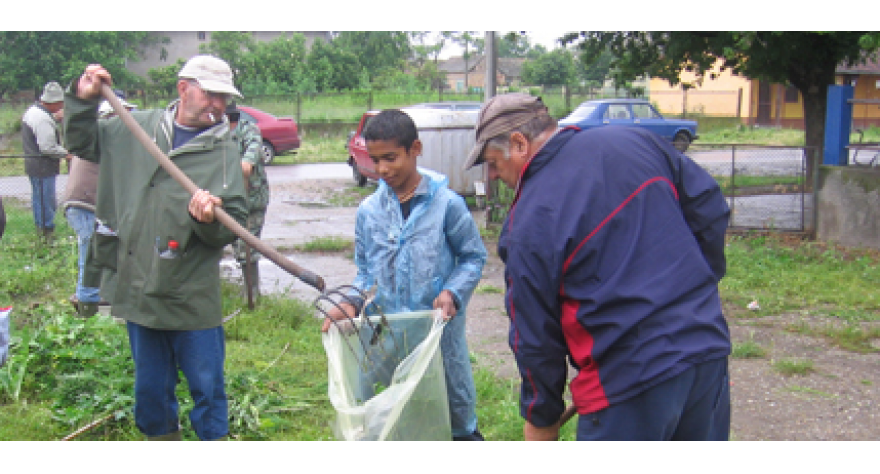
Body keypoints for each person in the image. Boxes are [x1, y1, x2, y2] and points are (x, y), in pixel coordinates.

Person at [464, 93, 732, 441]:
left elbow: (535, 338)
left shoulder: (529, 221)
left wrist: (541, 417)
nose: (496, 175)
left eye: (495, 163)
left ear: (519, 144)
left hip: (625, 383)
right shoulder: (632, 141)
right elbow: (709, 211)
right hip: (705, 354)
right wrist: (696, 294)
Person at [64, 55, 248, 441]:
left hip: (191, 292)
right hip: (139, 283)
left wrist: (206, 220)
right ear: (184, 88)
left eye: (224, 98)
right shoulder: (133, 129)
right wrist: (82, 101)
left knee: (207, 388)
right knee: (150, 390)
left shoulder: (224, 149)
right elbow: (80, 142)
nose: (218, 105)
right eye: (211, 94)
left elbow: (233, 226)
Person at [320, 109, 488, 441]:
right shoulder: (369, 212)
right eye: (376, 160)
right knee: (384, 416)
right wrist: (353, 303)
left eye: (391, 158)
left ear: (416, 149)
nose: (382, 169)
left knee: (453, 417)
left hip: (436, 335)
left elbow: (472, 257)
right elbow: (366, 273)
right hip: (385, 334)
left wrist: (452, 292)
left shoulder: (447, 205)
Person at [61, 92, 136, 317]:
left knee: (95, 250)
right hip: (85, 201)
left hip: (80, 201)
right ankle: (88, 304)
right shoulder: (106, 136)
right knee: (90, 252)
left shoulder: (95, 134)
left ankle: (92, 298)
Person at [225, 102, 268, 298]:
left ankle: (252, 292)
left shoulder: (249, 130)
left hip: (252, 200)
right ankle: (246, 290)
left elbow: (249, 160)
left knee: (248, 244)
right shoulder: (218, 134)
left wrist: (244, 163)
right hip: (229, 200)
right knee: (236, 244)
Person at [21, 81, 73, 238]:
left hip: (34, 165)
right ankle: (47, 233)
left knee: (39, 199)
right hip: (42, 166)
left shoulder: (34, 111)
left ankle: (41, 231)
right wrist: (66, 154)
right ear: (54, 102)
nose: (62, 106)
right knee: (46, 201)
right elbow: (47, 147)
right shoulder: (43, 119)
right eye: (61, 103)